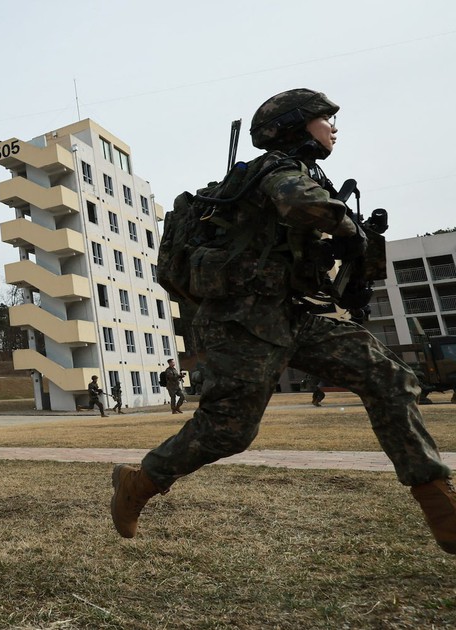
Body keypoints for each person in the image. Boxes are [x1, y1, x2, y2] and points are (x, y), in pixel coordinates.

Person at [111, 89, 456, 554]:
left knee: (388, 376)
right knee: (228, 431)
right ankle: (138, 484)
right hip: (244, 321)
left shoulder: (311, 174)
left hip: (299, 313)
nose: (333, 127)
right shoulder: (276, 170)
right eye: (325, 118)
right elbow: (298, 204)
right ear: (297, 125)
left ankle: (437, 500)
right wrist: (349, 228)